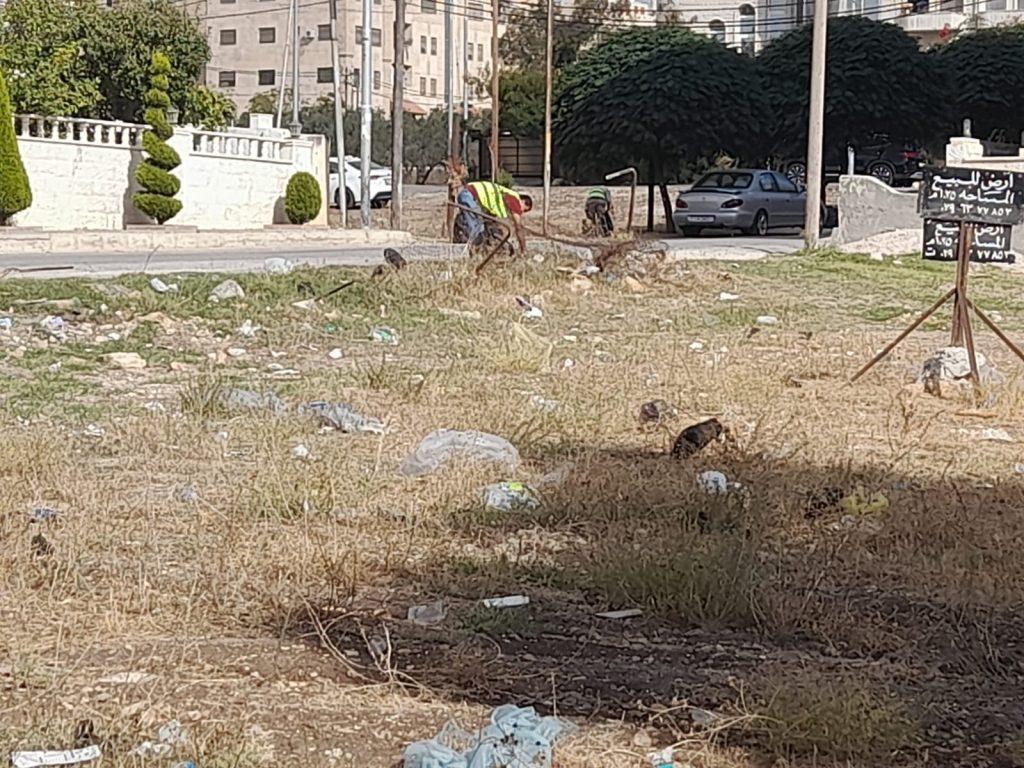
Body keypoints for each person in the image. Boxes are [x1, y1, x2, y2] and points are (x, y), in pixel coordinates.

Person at [456, 180, 533, 253]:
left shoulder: (503, 198)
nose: (521, 212)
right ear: (523, 201)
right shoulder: (515, 199)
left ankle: (464, 241)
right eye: (524, 210)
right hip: (469, 195)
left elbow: (489, 217)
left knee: (480, 228)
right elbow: (518, 227)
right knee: (477, 229)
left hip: (469, 195)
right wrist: (523, 249)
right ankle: (471, 252)